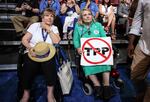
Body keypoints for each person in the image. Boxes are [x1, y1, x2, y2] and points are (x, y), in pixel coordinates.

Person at [20, 8, 61, 102]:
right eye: (47, 15)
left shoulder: (54, 28)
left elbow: (56, 41)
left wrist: (48, 29)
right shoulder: (35, 25)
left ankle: (50, 94)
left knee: (50, 65)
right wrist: (30, 49)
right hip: (32, 51)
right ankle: (26, 94)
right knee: (29, 66)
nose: (49, 18)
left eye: (52, 16)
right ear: (42, 17)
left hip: (48, 53)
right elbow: (24, 39)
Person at [73, 8, 114, 100]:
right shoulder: (78, 26)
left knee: (106, 62)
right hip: (87, 52)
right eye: (85, 15)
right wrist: (78, 47)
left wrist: (110, 48)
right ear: (81, 17)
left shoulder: (98, 25)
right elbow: (75, 40)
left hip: (100, 52)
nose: (87, 16)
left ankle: (106, 86)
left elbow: (104, 38)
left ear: (92, 16)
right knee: (87, 65)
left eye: (89, 14)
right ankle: (97, 85)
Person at [128, 0, 150, 102]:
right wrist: (131, 43)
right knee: (135, 74)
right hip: (143, 45)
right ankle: (143, 91)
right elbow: (137, 20)